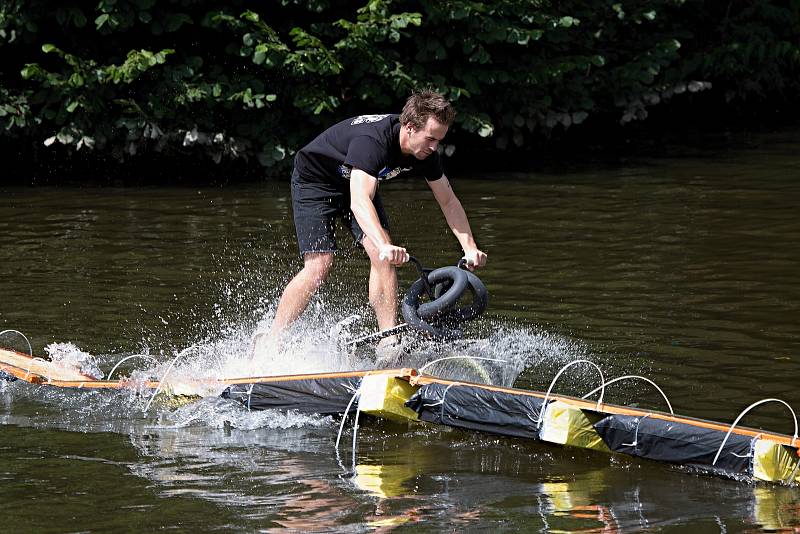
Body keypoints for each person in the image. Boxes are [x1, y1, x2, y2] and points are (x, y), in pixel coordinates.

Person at [267, 89, 487, 353]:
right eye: (430, 139)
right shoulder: (373, 141)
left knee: (382, 256)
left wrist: (469, 247)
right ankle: (271, 342)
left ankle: (388, 342)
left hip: (357, 180)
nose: (434, 147)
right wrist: (383, 243)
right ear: (409, 127)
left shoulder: (427, 154)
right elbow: (359, 200)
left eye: (439, 140)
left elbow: (449, 201)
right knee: (320, 266)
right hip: (315, 181)